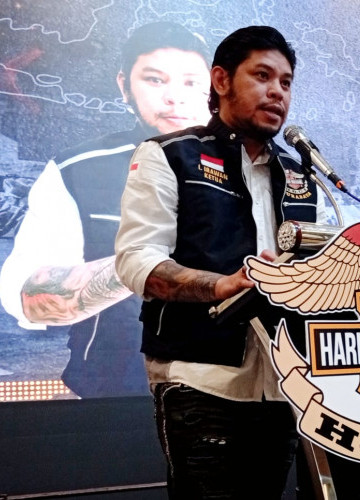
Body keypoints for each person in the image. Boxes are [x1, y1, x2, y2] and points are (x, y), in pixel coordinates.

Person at [114, 25, 326, 498]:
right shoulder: (169, 155)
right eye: (262, 76)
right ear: (221, 80)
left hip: (283, 382)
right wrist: (221, 285)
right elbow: (136, 260)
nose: (277, 92)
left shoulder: (299, 175)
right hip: (200, 376)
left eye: (286, 82)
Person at [0, 22, 211, 397]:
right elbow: (27, 295)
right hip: (112, 399)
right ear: (124, 85)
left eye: (191, 82)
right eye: (155, 80)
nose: (174, 97)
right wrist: (147, 263)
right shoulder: (77, 170)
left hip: (241, 405)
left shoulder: (263, 170)